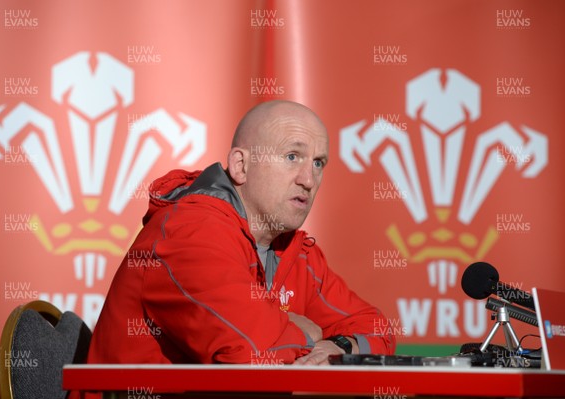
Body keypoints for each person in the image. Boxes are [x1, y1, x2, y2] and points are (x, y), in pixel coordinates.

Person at [87, 100, 395, 366]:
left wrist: (341, 347)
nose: (308, 179)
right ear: (241, 165)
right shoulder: (188, 231)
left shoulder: (296, 252)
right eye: (292, 156)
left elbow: (378, 329)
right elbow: (249, 349)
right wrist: (310, 332)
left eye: (318, 163)